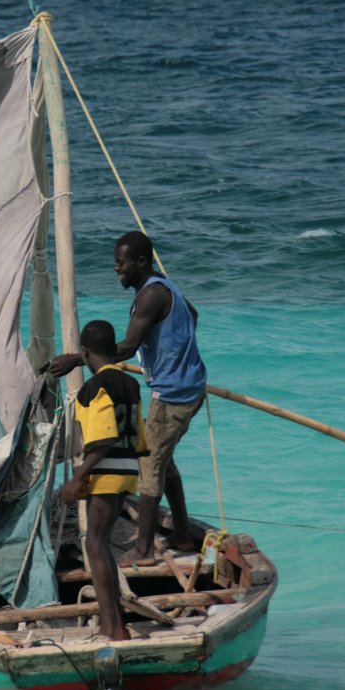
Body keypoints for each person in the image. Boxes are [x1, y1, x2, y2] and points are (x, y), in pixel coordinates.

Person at [52, 230, 206, 562]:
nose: (116, 269)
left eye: (121, 264)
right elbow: (191, 314)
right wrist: (175, 348)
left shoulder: (151, 296)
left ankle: (143, 551)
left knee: (148, 466)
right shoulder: (163, 287)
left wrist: (78, 358)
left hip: (173, 394)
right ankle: (180, 532)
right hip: (189, 386)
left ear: (140, 262)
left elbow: (127, 346)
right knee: (163, 460)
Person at [61, 320, 148, 641]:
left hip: (105, 470)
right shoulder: (131, 384)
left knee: (94, 545)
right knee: (102, 545)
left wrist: (77, 478)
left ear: (84, 353)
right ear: (113, 349)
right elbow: (139, 437)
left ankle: (114, 627)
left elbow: (103, 437)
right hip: (127, 470)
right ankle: (115, 624)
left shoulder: (92, 388)